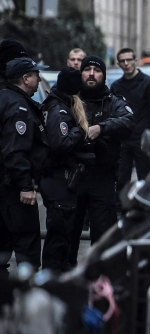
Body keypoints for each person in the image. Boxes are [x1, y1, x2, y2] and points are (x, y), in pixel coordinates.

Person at [73, 56, 134, 246]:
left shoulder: (113, 102)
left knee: (104, 239)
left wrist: (102, 128)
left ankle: (100, 276)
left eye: (97, 70)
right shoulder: (70, 101)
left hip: (103, 179)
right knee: (67, 238)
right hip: (73, 178)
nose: (91, 74)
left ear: (104, 75)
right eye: (87, 69)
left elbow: (128, 121)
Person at [0, 57, 48, 272]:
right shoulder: (19, 107)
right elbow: (15, 150)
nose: (39, 79)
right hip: (13, 188)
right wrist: (26, 186)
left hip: (4, 185)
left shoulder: (4, 98)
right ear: (25, 78)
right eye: (36, 75)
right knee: (26, 244)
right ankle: (26, 296)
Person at [39, 68, 89, 272]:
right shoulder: (59, 110)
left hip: (57, 181)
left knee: (61, 235)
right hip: (58, 181)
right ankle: (52, 283)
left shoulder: (55, 104)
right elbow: (60, 144)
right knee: (58, 237)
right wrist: (79, 131)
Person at [110, 48, 150, 185]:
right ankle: (122, 206)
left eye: (129, 60)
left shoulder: (149, 83)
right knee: (121, 181)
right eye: (122, 61)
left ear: (135, 61)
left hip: (143, 140)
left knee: (146, 181)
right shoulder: (116, 87)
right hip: (123, 141)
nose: (126, 64)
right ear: (119, 64)